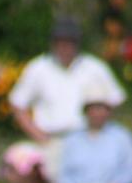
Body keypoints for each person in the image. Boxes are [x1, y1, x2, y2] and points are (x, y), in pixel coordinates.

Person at [9, 17, 125, 173]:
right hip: (52, 140)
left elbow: (115, 99)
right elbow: (17, 104)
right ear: (53, 43)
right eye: (60, 42)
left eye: (70, 42)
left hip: (88, 140)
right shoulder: (38, 68)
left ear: (77, 43)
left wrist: (100, 130)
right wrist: (39, 136)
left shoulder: (94, 67)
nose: (65, 47)